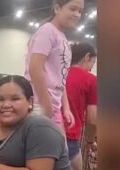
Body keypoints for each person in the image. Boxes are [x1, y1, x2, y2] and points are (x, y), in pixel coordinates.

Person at [24, 0, 83, 131]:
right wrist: (46, 105)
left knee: (60, 150)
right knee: (48, 150)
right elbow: (35, 68)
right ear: (57, 8)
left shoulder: (62, 37)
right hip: (39, 104)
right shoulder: (47, 31)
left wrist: (65, 107)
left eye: (80, 11)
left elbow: (61, 78)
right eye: (73, 9)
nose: (77, 14)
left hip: (53, 105)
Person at [65, 42, 98, 170]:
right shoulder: (91, 80)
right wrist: (90, 141)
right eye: (93, 63)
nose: (91, 68)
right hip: (68, 135)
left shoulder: (59, 73)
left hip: (43, 131)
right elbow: (92, 120)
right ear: (87, 57)